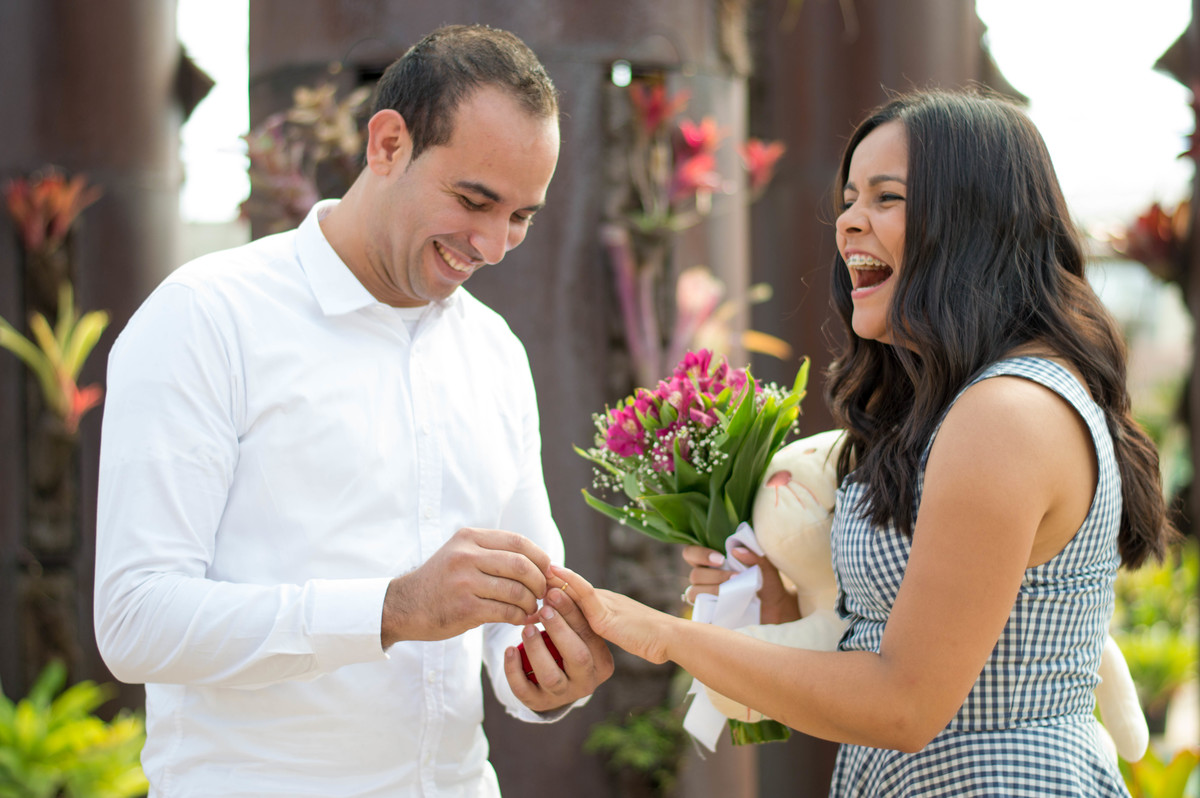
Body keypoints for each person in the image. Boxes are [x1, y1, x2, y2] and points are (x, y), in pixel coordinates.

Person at [552, 89, 1176, 796]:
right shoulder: (956, 405)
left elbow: (905, 702)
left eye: (887, 198)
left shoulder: (1008, 413)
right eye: (850, 199)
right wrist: (780, 610)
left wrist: (665, 635)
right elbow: (885, 652)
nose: (849, 221)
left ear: (971, 219)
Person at [94, 24, 612, 797]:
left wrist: (549, 677)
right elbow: (136, 622)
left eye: (520, 216)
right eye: (474, 200)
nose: (495, 244)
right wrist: (392, 610)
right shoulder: (206, 317)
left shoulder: (496, 351)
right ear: (387, 144)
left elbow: (516, 617)